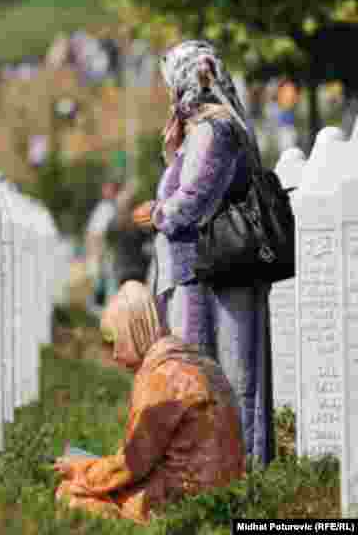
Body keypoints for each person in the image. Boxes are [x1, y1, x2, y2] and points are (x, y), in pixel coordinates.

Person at [130, 40, 275, 468]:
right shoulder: (202, 129)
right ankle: (216, 471)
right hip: (203, 273)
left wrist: (156, 213)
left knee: (230, 378)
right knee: (209, 378)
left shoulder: (214, 129)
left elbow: (193, 198)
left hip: (214, 272)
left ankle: (241, 477)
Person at [54, 281, 245, 524]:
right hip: (226, 496)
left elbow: (132, 466)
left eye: (114, 339)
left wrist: (81, 472)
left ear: (134, 330)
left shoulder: (161, 377)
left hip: (186, 503)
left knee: (70, 493)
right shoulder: (195, 361)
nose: (114, 355)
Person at [84, 180, 119, 313]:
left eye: (110, 189)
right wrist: (94, 251)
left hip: (104, 251)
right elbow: (94, 233)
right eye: (106, 189)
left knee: (104, 281)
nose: (106, 191)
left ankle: (103, 311)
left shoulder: (108, 208)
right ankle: (101, 311)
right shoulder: (105, 208)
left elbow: (96, 232)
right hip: (100, 251)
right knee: (100, 281)